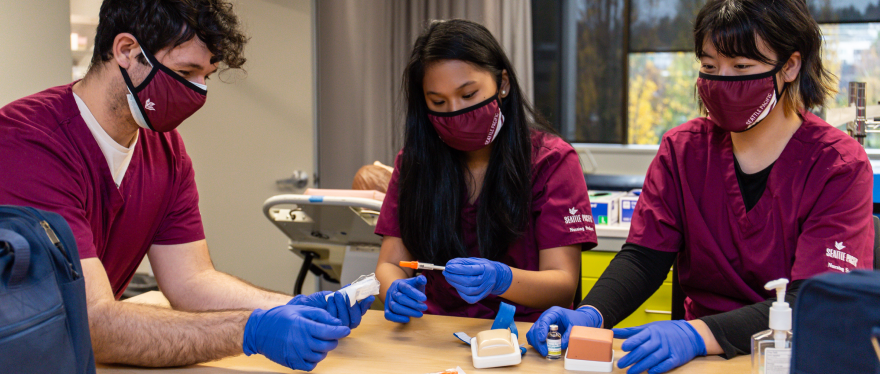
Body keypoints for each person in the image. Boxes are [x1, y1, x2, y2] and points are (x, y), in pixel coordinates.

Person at [0, 0, 371, 371]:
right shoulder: (29, 142)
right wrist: (248, 330)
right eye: (186, 70)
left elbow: (191, 280)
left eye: (205, 76)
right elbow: (92, 322)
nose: (199, 91)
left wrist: (289, 307)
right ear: (127, 51)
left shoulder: (166, 151)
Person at [527, 1, 874, 373]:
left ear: (790, 66)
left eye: (741, 66)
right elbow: (644, 257)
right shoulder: (683, 150)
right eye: (709, 67)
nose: (722, 80)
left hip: (789, 355)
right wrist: (591, 314)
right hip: (702, 359)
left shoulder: (838, 164)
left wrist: (695, 334)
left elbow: (813, 300)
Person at [374, 19, 598, 324]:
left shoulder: (552, 161)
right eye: (438, 101)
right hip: (433, 336)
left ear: (502, 83)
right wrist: (394, 290)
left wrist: (502, 280)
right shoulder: (414, 163)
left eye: (468, 95)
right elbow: (390, 262)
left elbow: (562, 285)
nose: (454, 111)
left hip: (524, 337)